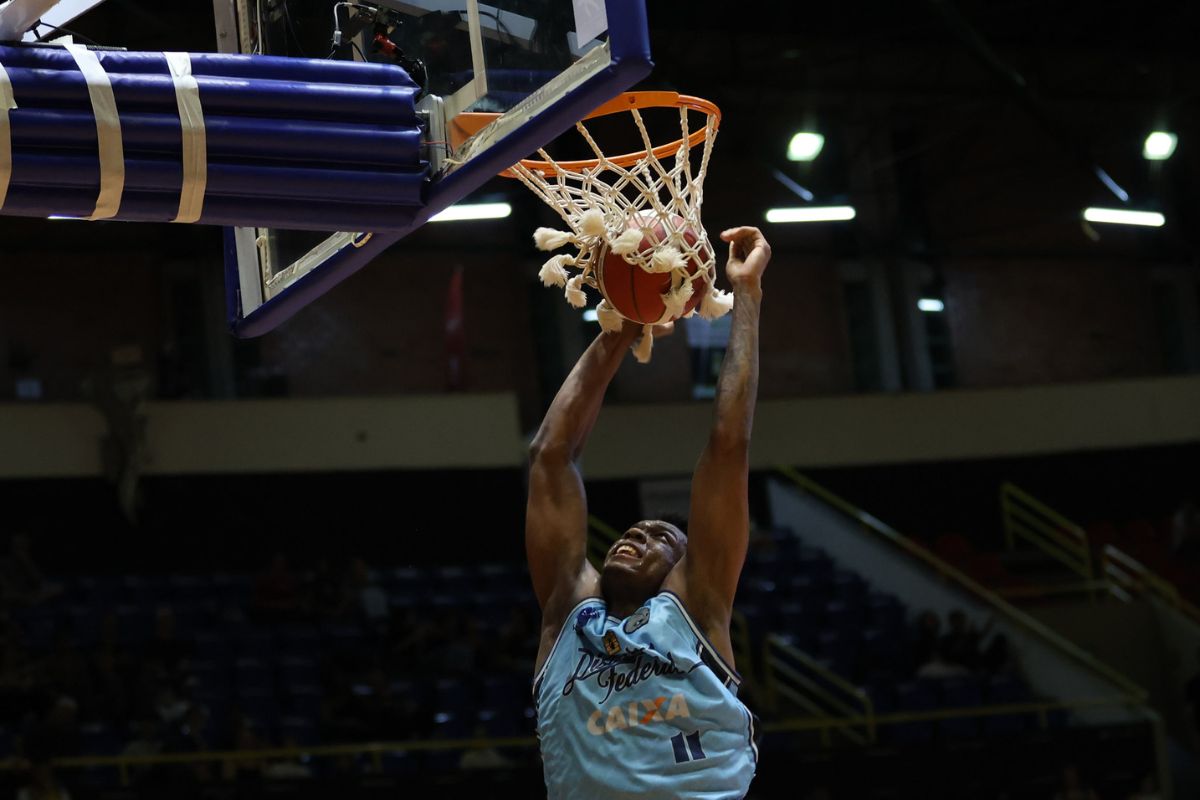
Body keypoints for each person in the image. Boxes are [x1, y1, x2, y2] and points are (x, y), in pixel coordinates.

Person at [526, 226, 770, 799]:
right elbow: (550, 456)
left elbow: (728, 444)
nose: (635, 534)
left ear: (683, 567)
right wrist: (621, 327)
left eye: (661, 536)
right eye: (635, 530)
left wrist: (747, 295)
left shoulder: (696, 609)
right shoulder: (568, 618)